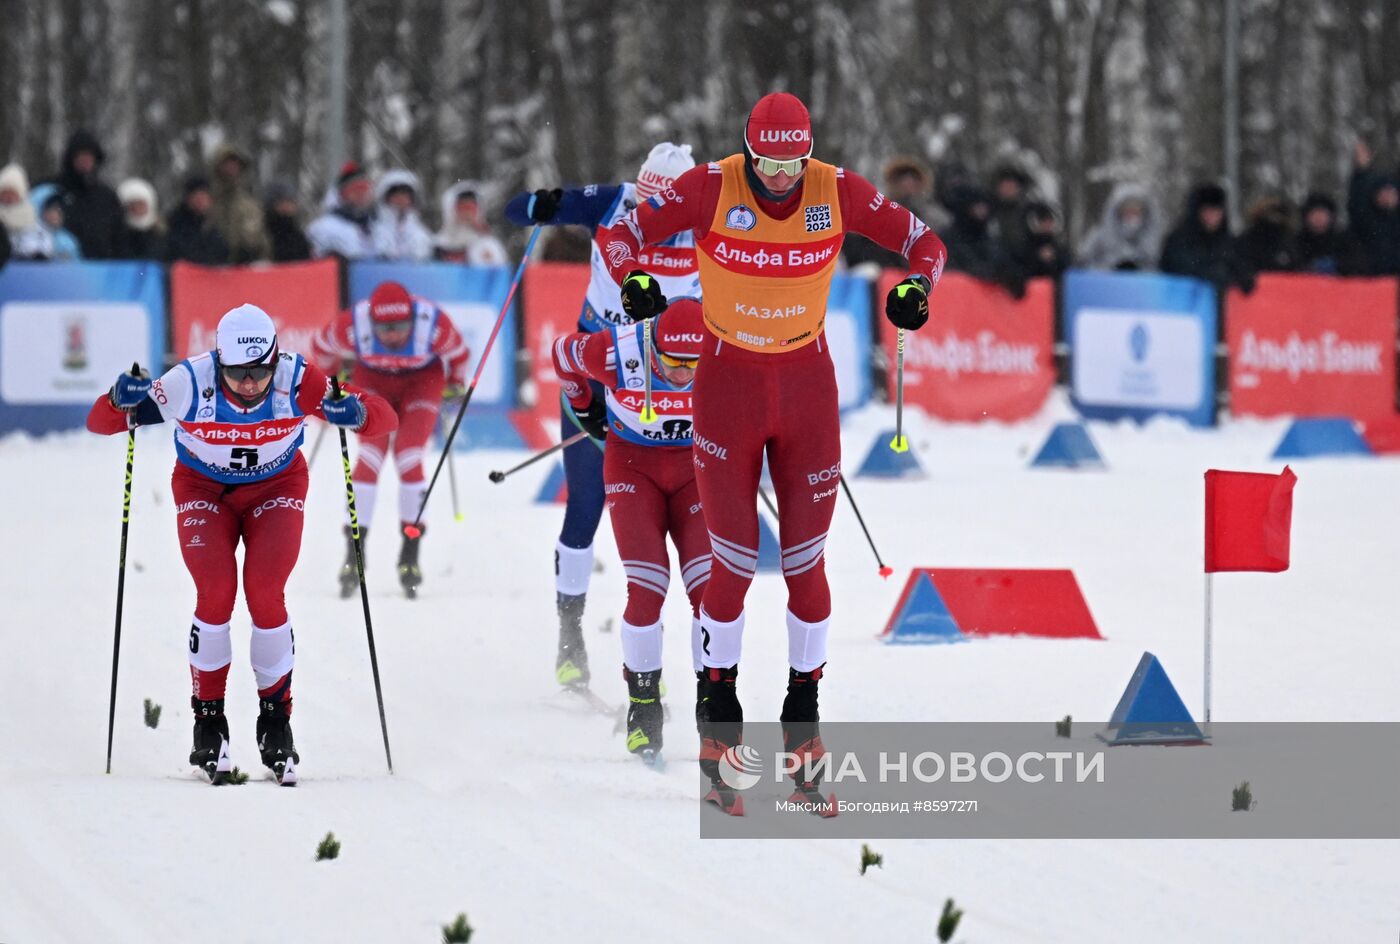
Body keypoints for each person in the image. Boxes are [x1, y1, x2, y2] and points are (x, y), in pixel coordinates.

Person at [599, 92, 945, 812]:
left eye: (794, 162)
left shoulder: (837, 188)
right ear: (747, 151)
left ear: (808, 151)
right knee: (729, 570)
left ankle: (803, 735)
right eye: (769, 163)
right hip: (728, 386)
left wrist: (918, 288)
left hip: (807, 389)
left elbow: (926, 245)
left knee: (805, 565)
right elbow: (621, 234)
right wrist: (635, 278)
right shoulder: (711, 185)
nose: (782, 178)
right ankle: (719, 739)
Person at [86, 305, 396, 784]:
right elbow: (103, 422)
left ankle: (276, 721)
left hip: (277, 489)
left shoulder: (298, 379)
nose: (250, 384)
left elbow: (385, 417)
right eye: (237, 373)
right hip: (203, 490)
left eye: (259, 372)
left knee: (266, 591)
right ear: (218, 362)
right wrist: (116, 399)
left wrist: (356, 414)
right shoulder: (190, 381)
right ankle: (208, 722)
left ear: (275, 359)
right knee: (215, 591)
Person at [504, 141, 700, 693]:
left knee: (671, 517)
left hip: (668, 377)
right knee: (586, 504)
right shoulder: (615, 204)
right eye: (645, 208)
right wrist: (544, 204)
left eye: (666, 214)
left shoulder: (708, 224)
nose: (650, 223)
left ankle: (670, 662)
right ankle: (570, 633)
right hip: (598, 364)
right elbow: (516, 211)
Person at [550, 299, 709, 763]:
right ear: (653, 346)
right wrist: (585, 403)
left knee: (710, 591)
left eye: (692, 365)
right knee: (648, 586)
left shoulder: (723, 349)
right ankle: (643, 705)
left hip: (694, 473)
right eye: (673, 363)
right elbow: (562, 353)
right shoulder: (618, 351)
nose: (682, 373)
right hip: (632, 470)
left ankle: (712, 702)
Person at [313, 280, 470, 598]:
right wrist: (332, 379)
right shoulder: (351, 325)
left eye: (401, 327)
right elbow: (320, 347)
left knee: (409, 456)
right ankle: (353, 553)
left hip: (421, 383)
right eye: (385, 328)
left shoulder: (433, 325)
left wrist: (455, 382)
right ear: (371, 322)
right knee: (369, 459)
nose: (394, 335)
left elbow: (460, 354)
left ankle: (410, 554)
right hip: (373, 382)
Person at [1159, 183, 1255, 293]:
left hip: (1223, 307)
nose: (1212, 217)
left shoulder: (1230, 242)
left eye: (1217, 211)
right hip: (1187, 305)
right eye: (1208, 211)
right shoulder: (1179, 240)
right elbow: (1180, 267)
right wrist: (1213, 274)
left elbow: (1243, 267)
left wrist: (1241, 276)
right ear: (1197, 212)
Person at [51, 130, 127, 258]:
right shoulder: (52, 191)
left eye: (89, 156)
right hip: (61, 268)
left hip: (101, 271)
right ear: (71, 159)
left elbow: (119, 240)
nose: (85, 161)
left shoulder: (107, 197)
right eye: (80, 156)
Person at [1076, 182, 1163, 271]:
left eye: (1136, 208)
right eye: (1127, 208)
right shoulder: (1099, 236)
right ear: (1117, 211)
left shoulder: (1157, 239)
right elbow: (1083, 263)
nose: (1131, 212)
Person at [209, 143, 271, 263]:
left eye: (236, 163)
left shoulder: (250, 204)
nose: (232, 167)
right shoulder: (207, 201)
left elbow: (261, 240)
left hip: (245, 269)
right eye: (227, 163)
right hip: (214, 268)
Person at [1345, 141, 1400, 276]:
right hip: (1372, 280)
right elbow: (1356, 203)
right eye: (1383, 193)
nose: (1387, 197)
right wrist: (1361, 171)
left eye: (1391, 193)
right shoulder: (1367, 222)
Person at [309, 161, 378, 261]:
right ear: (341, 194)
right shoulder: (323, 227)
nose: (361, 194)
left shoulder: (378, 226)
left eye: (365, 189)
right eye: (355, 189)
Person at [434, 182, 509, 265]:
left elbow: (499, 273)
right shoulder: (434, 247)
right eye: (463, 207)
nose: (467, 213)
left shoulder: (488, 247)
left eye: (471, 208)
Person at [164, 176, 230, 265]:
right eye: (196, 196)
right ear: (188, 198)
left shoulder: (214, 226)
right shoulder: (174, 224)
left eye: (204, 196)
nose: (201, 201)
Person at [371, 170, 434, 261]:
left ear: (412, 200)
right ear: (385, 198)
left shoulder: (422, 234)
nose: (400, 200)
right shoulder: (373, 231)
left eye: (405, 196)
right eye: (395, 196)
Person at [1236, 194, 1299, 274]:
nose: (1275, 218)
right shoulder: (1247, 240)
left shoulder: (1290, 240)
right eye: (1271, 214)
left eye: (1278, 215)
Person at [22, 183, 83, 261]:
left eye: (60, 208)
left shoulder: (67, 241)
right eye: (52, 208)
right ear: (39, 210)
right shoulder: (24, 239)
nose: (59, 213)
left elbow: (77, 269)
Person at [0, 163, 48, 257]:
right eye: (5, 193)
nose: (8, 197)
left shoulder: (31, 215)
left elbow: (41, 240)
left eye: (12, 193)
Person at [117, 178, 165, 260]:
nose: (137, 209)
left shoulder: (161, 233)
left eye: (141, 204)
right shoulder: (118, 234)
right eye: (132, 205)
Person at [263, 181, 312, 262]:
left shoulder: (297, 236)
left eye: (291, 201)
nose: (289, 206)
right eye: (284, 201)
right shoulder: (264, 234)